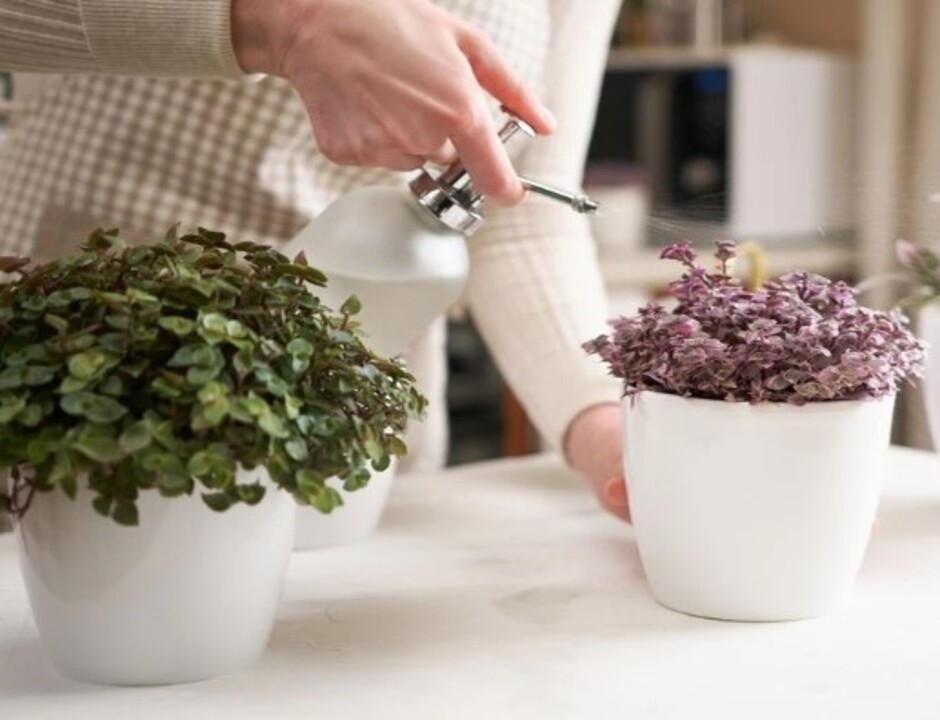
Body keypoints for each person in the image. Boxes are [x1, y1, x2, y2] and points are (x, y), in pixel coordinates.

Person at [0, 0, 631, 521]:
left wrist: (602, 423)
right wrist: (282, 21)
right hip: (80, 385)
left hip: (342, 450)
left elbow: (523, 227)